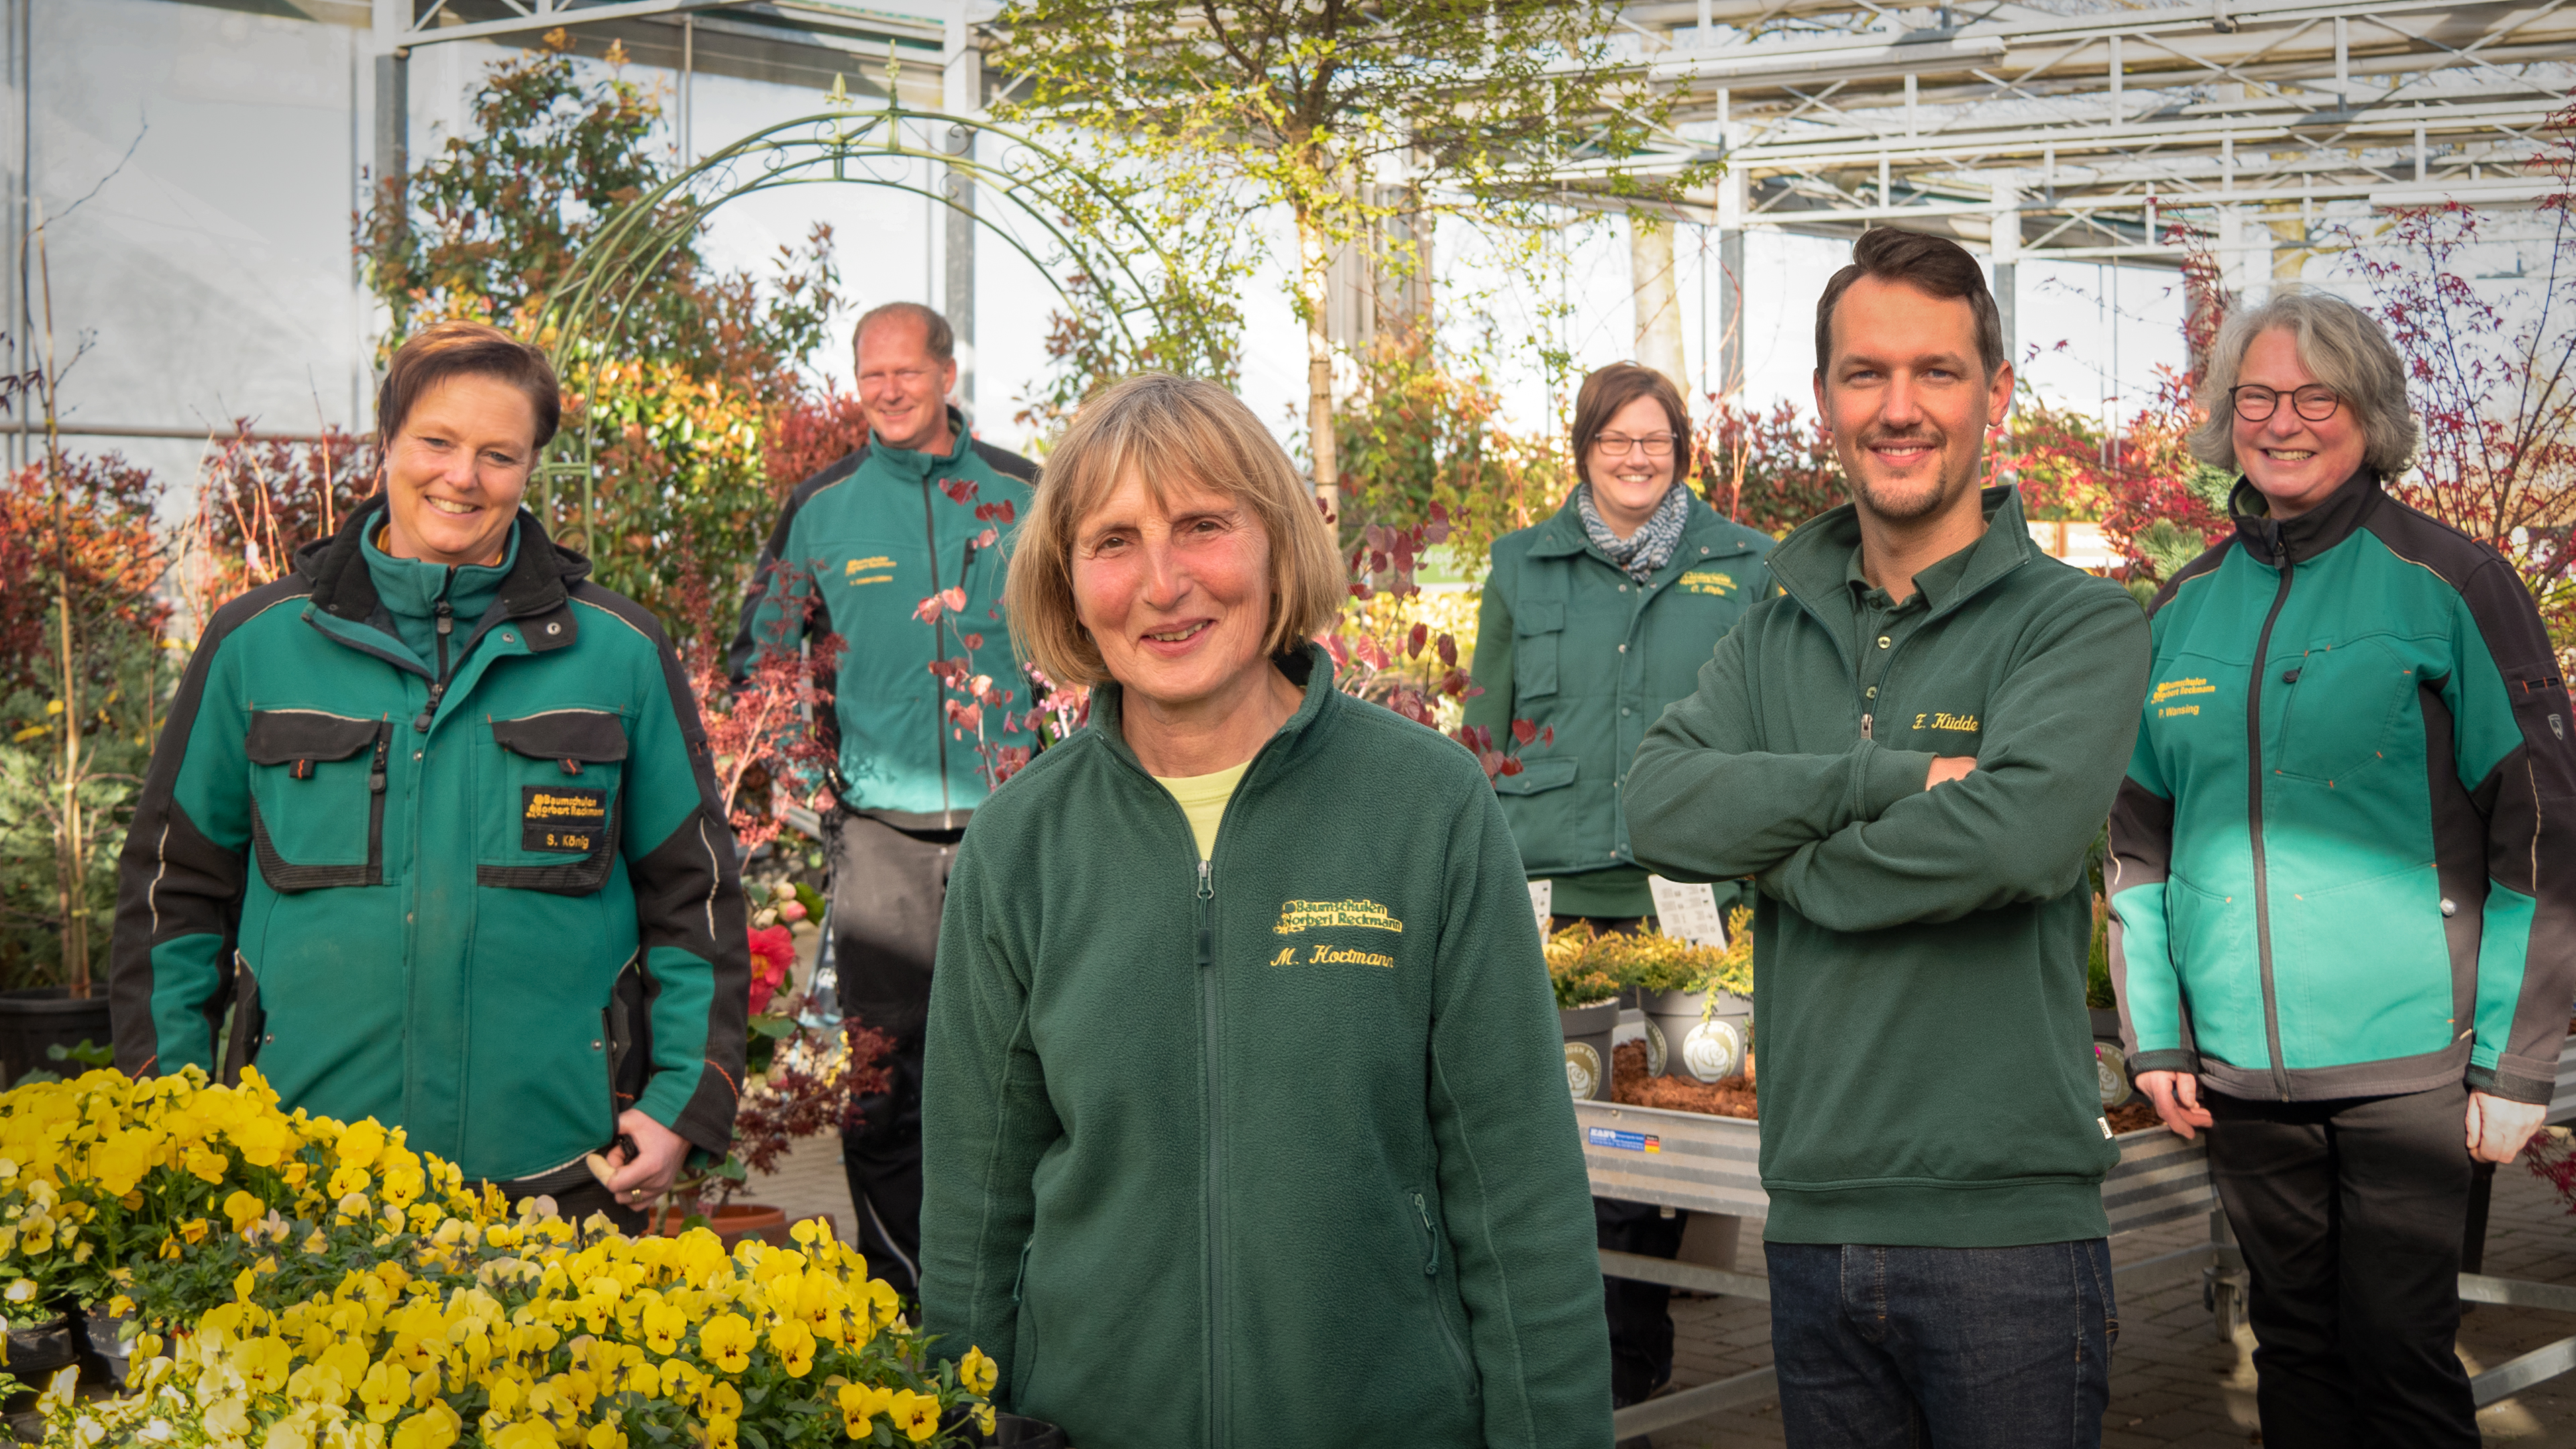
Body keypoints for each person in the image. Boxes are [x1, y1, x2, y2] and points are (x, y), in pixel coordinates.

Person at [918, 374, 1611, 1448]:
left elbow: (1519, 1191)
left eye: (1203, 525)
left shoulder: (1426, 808)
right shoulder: (1019, 846)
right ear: (1068, 581)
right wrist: (956, 1427)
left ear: (1278, 543)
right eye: (1114, 542)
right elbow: (973, 1212)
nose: (1164, 584)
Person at [1624, 228, 2151, 1444]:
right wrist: (1893, 779)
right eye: (1865, 373)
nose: (1898, 407)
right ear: (1825, 397)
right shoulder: (1774, 629)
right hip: (1810, 1218)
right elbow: (1657, 805)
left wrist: (1784, 856)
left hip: (2005, 1235)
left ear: (1995, 393)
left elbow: (2015, 843)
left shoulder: (2075, 624)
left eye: (1936, 372)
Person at [109, 321, 749, 1228]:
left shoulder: (621, 654)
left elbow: (697, 897)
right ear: (387, 445)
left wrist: (684, 1098)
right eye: (437, 442)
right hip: (297, 1185)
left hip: (564, 1177)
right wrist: (170, 1109)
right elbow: (173, 893)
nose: (463, 477)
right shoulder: (256, 646)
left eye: (498, 454)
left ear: (530, 468)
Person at [2107, 286, 2576, 1448]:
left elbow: (2543, 828)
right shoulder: (2183, 609)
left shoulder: (2452, 585)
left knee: (2400, 1359)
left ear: (2369, 413)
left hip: (2410, 1067)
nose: (2284, 421)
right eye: (2258, 396)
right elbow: (2137, 839)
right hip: (2242, 1073)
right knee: (2294, 1355)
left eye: (2317, 397)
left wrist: (2517, 1065)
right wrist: (2156, 1036)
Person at [1464, 360, 1774, 1417]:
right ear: (1584, 449)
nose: (1636, 459)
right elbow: (1485, 734)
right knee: (1560, 1131)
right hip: (1553, 892)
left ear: (1681, 450)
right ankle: (1594, 1367)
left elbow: (1768, 725)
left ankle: (1624, 1363)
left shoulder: (1746, 564)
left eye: (1656, 441)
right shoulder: (1522, 565)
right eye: (1616, 440)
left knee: (1671, 1128)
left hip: (1690, 894)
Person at [730, 301, 1037, 1296]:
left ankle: (1024, 1287)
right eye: (872, 375)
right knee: (880, 1079)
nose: (889, 391)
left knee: (1025, 1060)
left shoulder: (1025, 494)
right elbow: (761, 658)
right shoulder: (823, 507)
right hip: (880, 837)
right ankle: (906, 1295)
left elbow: (1091, 635)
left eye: (907, 371)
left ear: (948, 373)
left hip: (1016, 829)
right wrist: (812, 787)